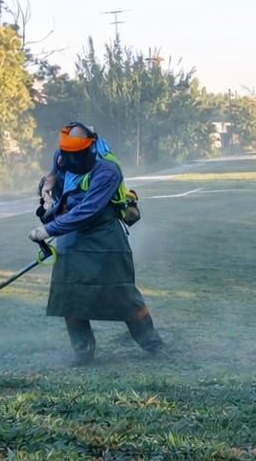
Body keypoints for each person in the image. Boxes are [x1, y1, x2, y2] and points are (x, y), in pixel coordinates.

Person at [28, 123, 163, 365]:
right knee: (70, 296)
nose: (70, 159)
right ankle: (83, 353)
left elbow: (88, 211)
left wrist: (47, 229)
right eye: (66, 154)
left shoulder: (108, 171)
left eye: (76, 154)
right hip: (70, 236)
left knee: (123, 294)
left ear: (90, 148)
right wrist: (46, 188)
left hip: (105, 237)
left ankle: (154, 346)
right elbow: (53, 175)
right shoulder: (63, 156)